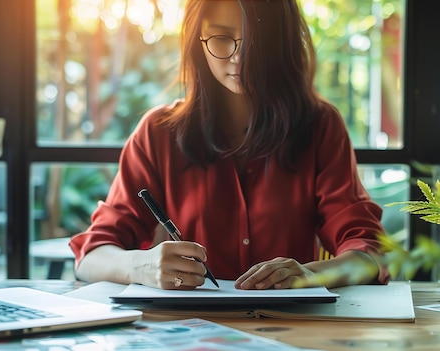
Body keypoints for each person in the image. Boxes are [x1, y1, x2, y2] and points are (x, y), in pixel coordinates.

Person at [69, 0, 390, 290]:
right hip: (187, 333)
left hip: (293, 331)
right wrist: (142, 265)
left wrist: (315, 274)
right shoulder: (158, 133)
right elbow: (92, 256)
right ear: (198, 42)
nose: (239, 56)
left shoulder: (320, 127)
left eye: (256, 39)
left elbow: (369, 249)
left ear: (282, 41)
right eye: (221, 38)